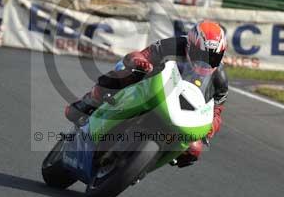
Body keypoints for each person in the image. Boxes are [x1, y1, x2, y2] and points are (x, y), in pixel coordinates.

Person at [65, 20, 228, 168]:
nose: (205, 61)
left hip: (181, 109)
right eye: (201, 54)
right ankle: (89, 102)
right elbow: (143, 54)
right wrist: (140, 62)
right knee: (125, 71)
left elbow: (216, 111)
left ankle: (144, 166)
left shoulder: (219, 79)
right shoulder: (175, 45)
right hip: (152, 85)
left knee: (194, 148)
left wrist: (209, 129)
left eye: (213, 57)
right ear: (190, 45)